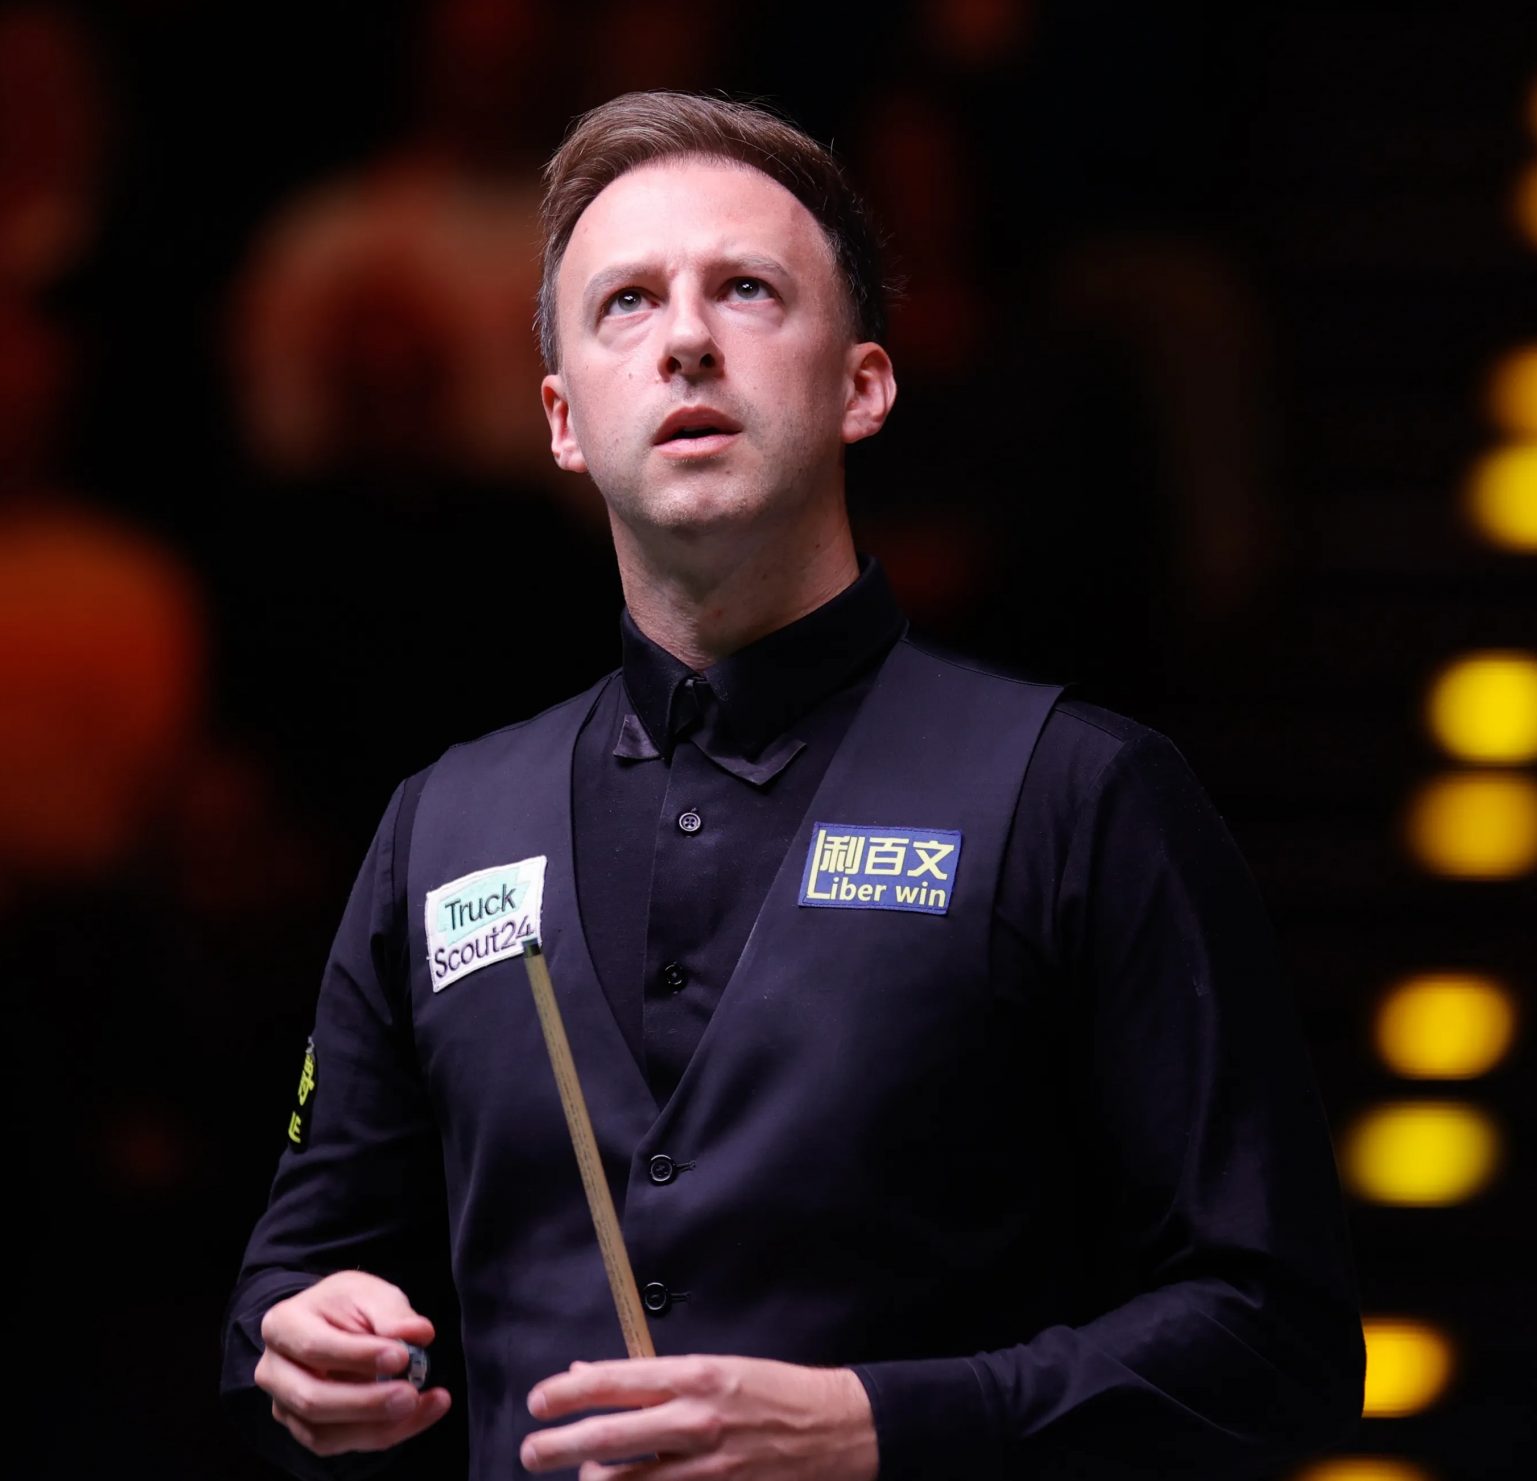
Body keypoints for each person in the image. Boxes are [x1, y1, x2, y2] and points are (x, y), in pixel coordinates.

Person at [222, 91, 1364, 1480]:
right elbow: (296, 1275)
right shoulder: (442, 829)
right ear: (563, 419)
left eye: (748, 290)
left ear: (862, 386)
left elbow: (1279, 1340)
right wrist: (304, 1340)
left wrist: (872, 1426)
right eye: (627, 303)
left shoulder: (1080, 796)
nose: (686, 337)